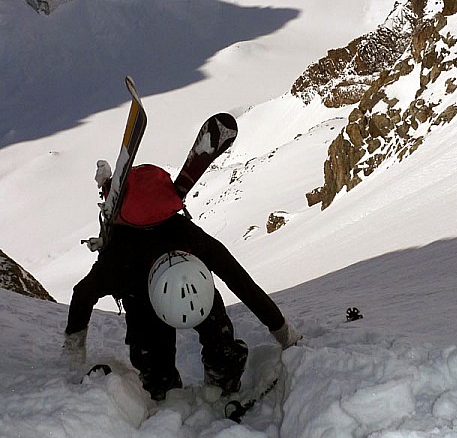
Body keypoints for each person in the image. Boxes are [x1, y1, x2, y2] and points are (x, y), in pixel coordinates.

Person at [62, 163, 301, 400]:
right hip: (142, 299)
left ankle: (221, 379)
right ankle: (165, 387)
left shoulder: (187, 238)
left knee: (222, 354)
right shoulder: (119, 261)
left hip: (196, 288)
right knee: (157, 382)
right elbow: (83, 293)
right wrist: (73, 355)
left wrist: (283, 332)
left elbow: (238, 279)